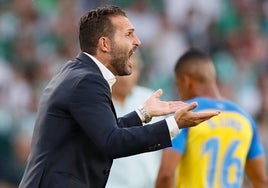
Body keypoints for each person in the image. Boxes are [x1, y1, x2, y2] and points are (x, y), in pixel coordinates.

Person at [18, 6, 219, 188]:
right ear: (105, 44)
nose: (137, 41)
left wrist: (143, 114)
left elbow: (103, 131)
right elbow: (111, 141)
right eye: (129, 34)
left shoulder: (77, 73)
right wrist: (174, 124)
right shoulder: (88, 81)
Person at [155, 49, 268, 188]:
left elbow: (166, 175)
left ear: (186, 80)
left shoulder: (184, 115)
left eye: (178, 85)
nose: (179, 92)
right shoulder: (245, 118)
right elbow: (261, 180)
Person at [106, 52, 162, 188]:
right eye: (122, 71)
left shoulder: (149, 99)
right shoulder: (99, 105)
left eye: (133, 69)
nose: (126, 78)